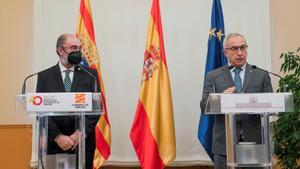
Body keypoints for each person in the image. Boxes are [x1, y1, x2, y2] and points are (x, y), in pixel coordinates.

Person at [200, 33, 273, 169]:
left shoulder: (261, 75)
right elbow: (204, 106)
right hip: (224, 144)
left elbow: (271, 105)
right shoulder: (214, 76)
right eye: (234, 49)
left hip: (255, 142)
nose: (240, 53)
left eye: (243, 48)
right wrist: (220, 98)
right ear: (225, 52)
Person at [36, 33, 99, 169]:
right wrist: (58, 137)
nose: (78, 52)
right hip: (54, 144)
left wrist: (80, 133)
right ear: (60, 50)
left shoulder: (90, 75)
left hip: (82, 144)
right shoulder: (44, 77)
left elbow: (96, 110)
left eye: (79, 48)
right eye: (73, 48)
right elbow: (40, 111)